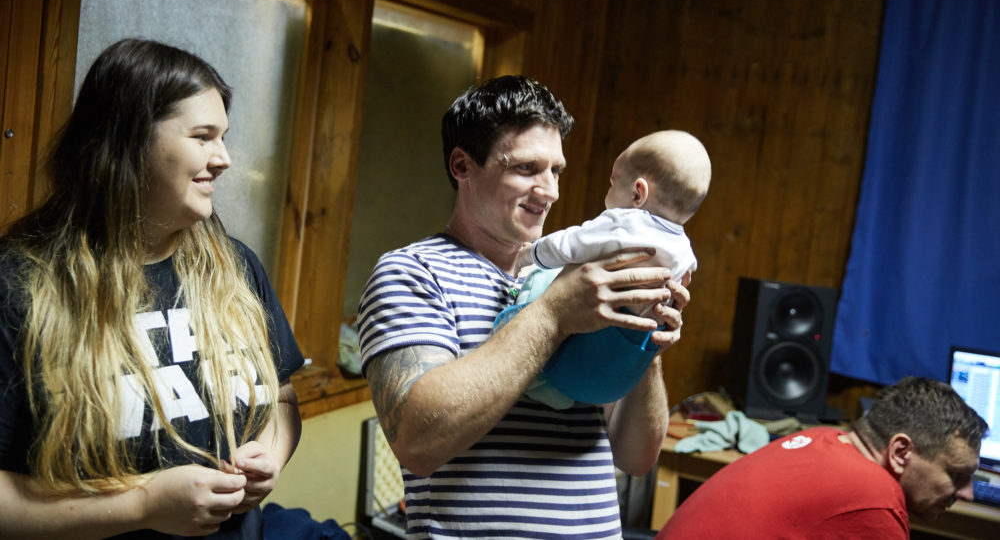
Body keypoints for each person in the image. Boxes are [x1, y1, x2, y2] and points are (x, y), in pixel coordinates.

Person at [357, 75, 689, 538]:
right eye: (527, 169)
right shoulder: (411, 272)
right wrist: (553, 315)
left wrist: (644, 339)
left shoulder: (580, 274)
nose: (550, 190)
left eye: (556, 171)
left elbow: (635, 457)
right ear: (462, 165)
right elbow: (418, 442)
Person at [0, 39, 304, 539]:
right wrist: (141, 506)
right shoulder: (19, 284)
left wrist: (268, 455)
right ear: (128, 141)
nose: (224, 158)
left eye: (223, 137)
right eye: (202, 136)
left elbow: (283, 399)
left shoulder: (235, 267)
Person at [495, 130, 711, 409]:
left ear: (638, 193)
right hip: (618, 374)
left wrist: (529, 255)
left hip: (583, 354)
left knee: (540, 278)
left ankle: (510, 339)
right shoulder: (685, 252)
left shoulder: (625, 223)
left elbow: (570, 243)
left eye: (613, 183)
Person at [657, 376, 987, 539]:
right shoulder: (873, 501)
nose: (968, 494)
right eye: (957, 475)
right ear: (901, 452)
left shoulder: (823, 438)